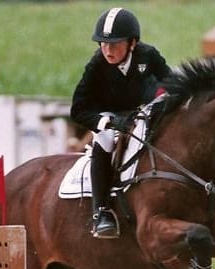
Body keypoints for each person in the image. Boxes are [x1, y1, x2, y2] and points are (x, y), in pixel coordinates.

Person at [70, 7, 172, 238]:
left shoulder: (149, 55)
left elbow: (173, 85)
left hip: (142, 113)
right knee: (104, 140)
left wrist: (160, 101)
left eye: (114, 43)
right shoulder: (96, 65)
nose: (108, 49)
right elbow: (77, 110)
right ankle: (101, 212)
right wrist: (108, 122)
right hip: (110, 116)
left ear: (132, 43)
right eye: (103, 44)